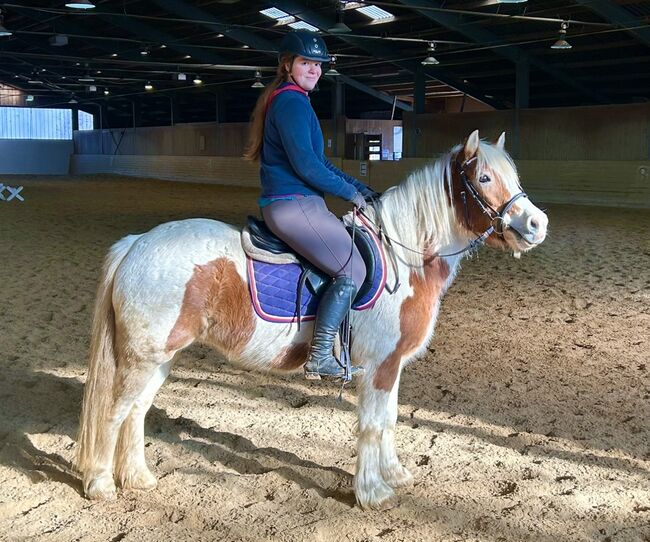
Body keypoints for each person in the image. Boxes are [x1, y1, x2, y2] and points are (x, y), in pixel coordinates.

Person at [244, 30, 377, 380]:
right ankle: (319, 355)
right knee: (353, 269)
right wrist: (350, 195)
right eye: (306, 63)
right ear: (287, 65)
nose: (314, 70)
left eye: (317, 65)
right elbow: (307, 167)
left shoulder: (293, 100)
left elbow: (321, 163)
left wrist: (362, 188)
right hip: (293, 204)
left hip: (300, 203)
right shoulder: (290, 102)